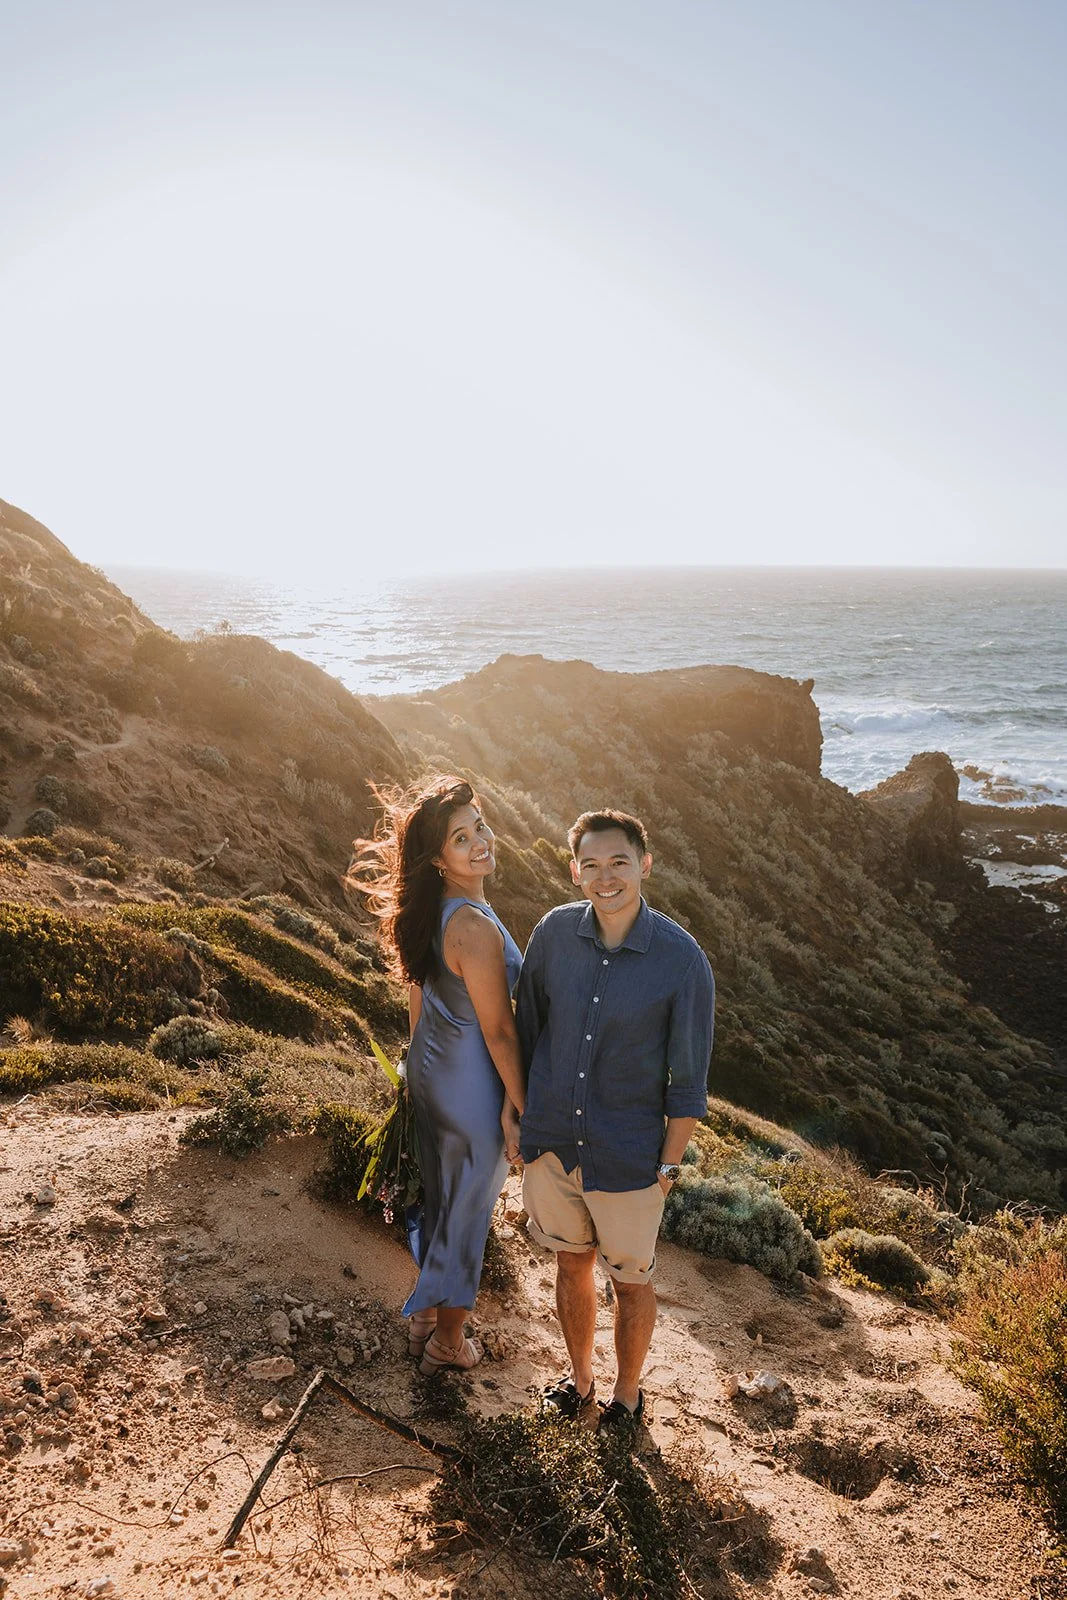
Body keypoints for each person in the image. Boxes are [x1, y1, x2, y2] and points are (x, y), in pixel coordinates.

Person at [516, 808, 714, 1436]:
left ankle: (627, 1399)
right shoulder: (551, 936)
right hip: (552, 1145)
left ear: (644, 865)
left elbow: (689, 1081)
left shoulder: (682, 961)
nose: (607, 877)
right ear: (575, 872)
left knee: (631, 1283)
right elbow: (526, 1036)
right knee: (570, 1265)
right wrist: (517, 1121)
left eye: (619, 863)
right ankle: (578, 1384)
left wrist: (668, 1166)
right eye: (593, 865)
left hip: (630, 1156)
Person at [351, 776, 524, 1375]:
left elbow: (418, 993)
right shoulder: (472, 926)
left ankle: (425, 1315)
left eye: (479, 826)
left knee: (443, 1197)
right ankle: (448, 1344)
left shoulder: (434, 912)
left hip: (431, 1068)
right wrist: (523, 1105)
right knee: (468, 1206)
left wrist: (412, 1068)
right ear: (437, 858)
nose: (480, 842)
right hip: (470, 1083)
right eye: (462, 837)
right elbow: (501, 1032)